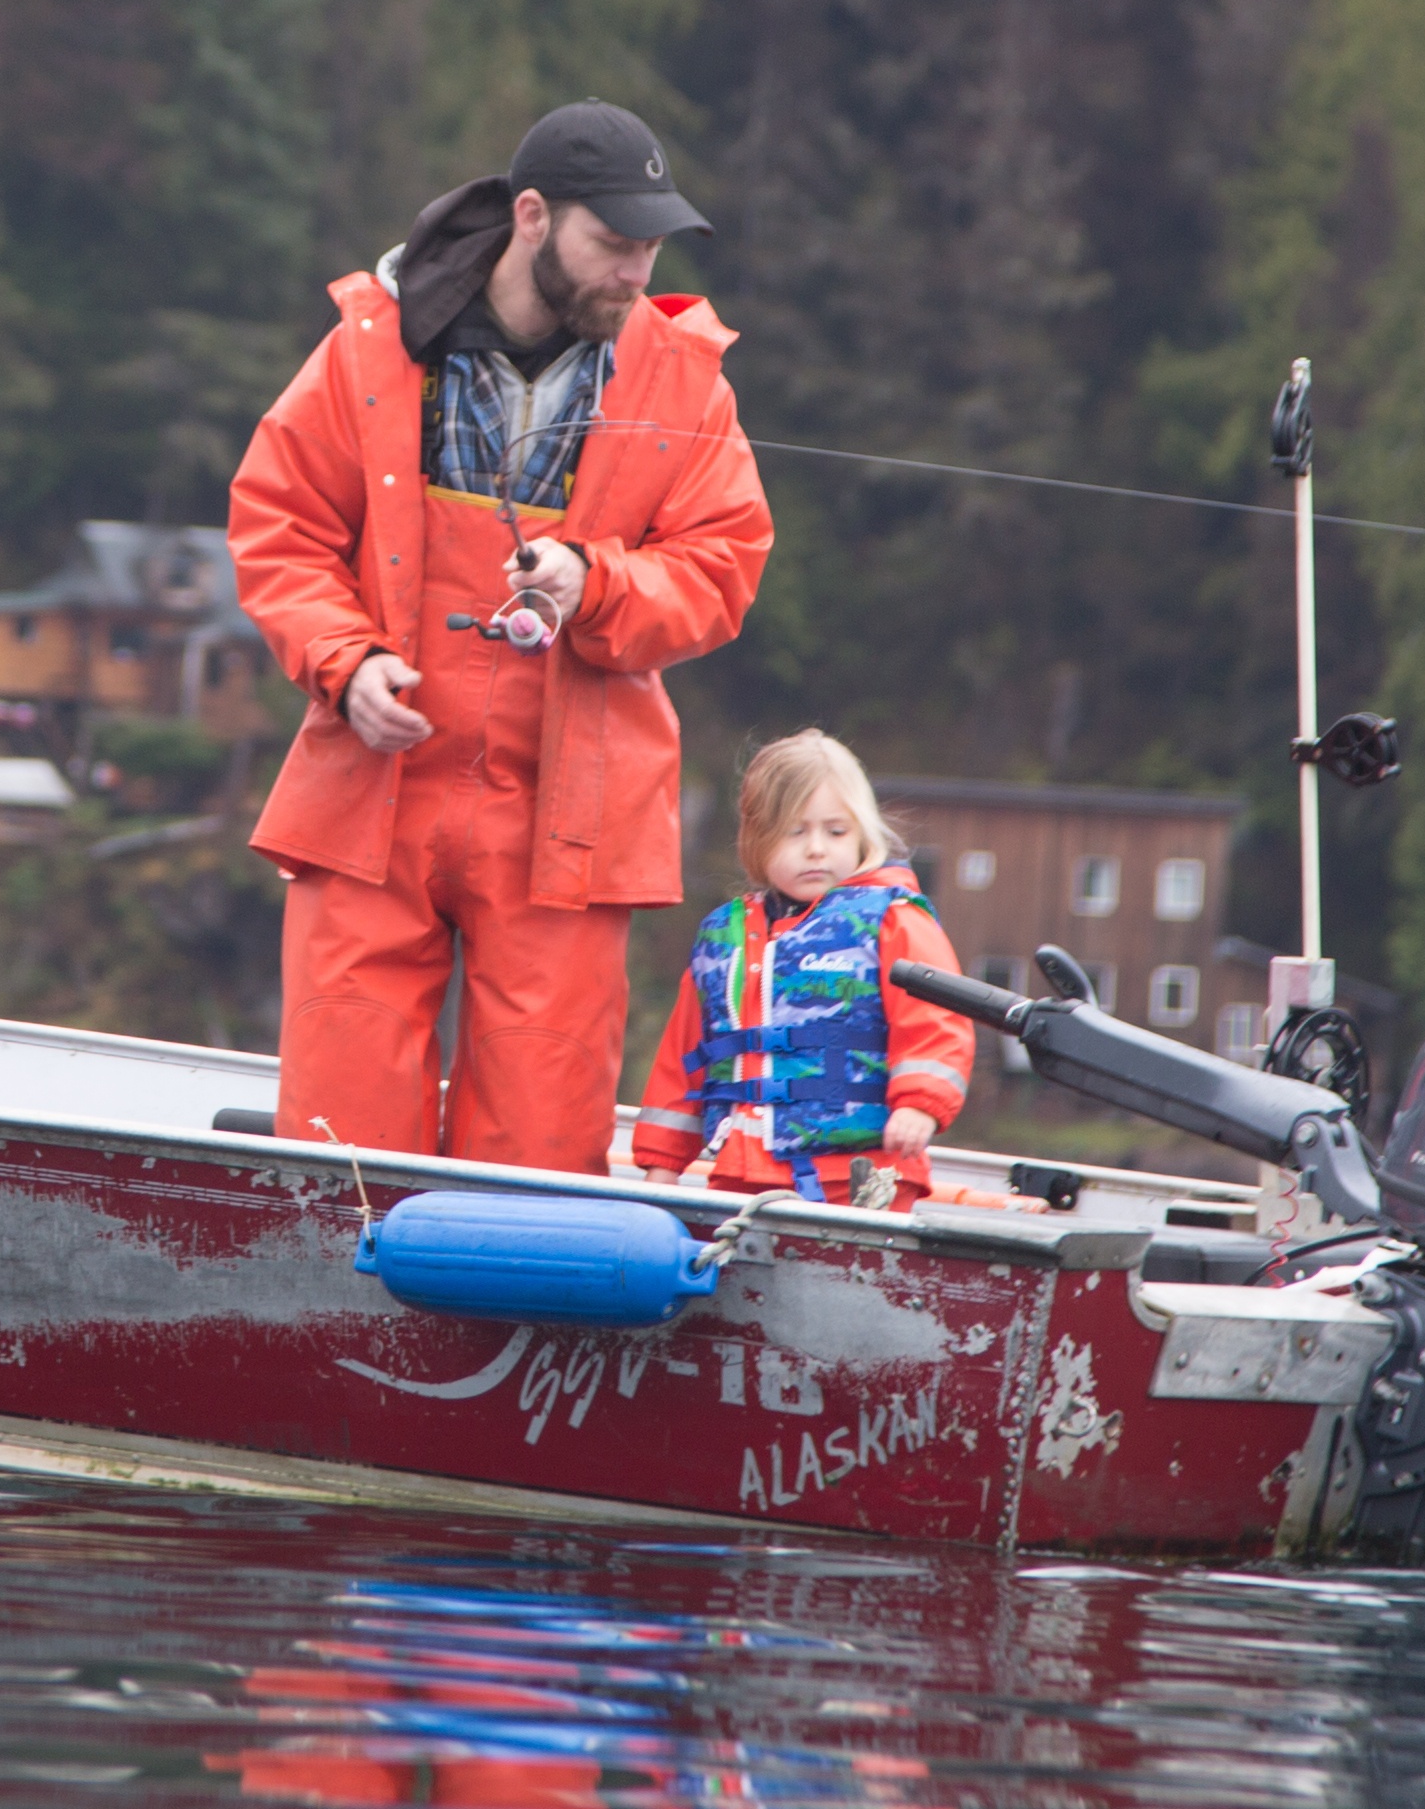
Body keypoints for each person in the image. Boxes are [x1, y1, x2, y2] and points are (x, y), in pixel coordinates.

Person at [227, 101, 775, 1168]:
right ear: (532, 216)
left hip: (570, 813)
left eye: (651, 245)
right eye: (613, 244)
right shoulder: (367, 345)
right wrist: (349, 663)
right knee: (338, 1149)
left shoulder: (685, 376)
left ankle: (512, 1334)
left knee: (540, 1147)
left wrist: (598, 582)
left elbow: (723, 566)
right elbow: (279, 526)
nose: (634, 270)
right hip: (373, 792)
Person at [621, 731, 975, 1207]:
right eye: (795, 831)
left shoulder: (893, 919)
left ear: (862, 833)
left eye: (836, 831)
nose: (816, 849)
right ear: (758, 837)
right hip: (740, 1175)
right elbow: (682, 1063)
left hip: (864, 1175)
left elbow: (937, 1024)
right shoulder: (722, 938)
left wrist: (920, 1106)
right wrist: (662, 1168)